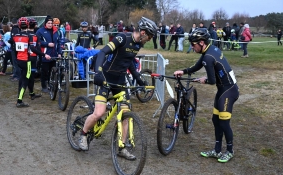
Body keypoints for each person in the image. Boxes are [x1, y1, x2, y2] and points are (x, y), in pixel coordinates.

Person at [78, 17, 158, 160]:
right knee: (98, 113)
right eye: (150, 36)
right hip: (105, 78)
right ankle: (83, 134)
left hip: (120, 81)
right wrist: (98, 73)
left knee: (125, 114)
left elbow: (128, 62)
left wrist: (138, 78)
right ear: (144, 32)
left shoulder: (138, 44)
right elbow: (102, 53)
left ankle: (121, 147)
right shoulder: (122, 38)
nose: (150, 40)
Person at [174, 28, 239, 163]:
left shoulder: (208, 57)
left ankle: (230, 151)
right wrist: (183, 71)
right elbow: (198, 66)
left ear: (202, 42)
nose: (192, 47)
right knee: (216, 121)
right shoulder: (210, 50)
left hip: (229, 91)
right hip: (223, 90)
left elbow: (212, 80)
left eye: (193, 44)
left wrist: (204, 79)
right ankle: (216, 150)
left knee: (224, 123)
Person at [13, 17, 51, 107]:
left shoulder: (15, 36)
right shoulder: (29, 36)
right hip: (27, 60)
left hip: (19, 60)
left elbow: (13, 47)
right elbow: (33, 49)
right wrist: (43, 54)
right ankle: (19, 100)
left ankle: (22, 96)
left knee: (22, 78)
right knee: (25, 81)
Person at [36, 15, 62, 93]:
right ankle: (44, 86)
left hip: (54, 55)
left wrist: (59, 53)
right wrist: (47, 44)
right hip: (45, 55)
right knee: (45, 71)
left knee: (53, 71)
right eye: (49, 23)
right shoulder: (40, 31)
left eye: (51, 23)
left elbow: (58, 43)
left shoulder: (56, 31)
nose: (50, 24)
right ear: (45, 23)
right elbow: (37, 42)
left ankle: (51, 84)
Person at [27, 17, 50, 100]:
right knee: (30, 76)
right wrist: (43, 55)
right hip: (31, 57)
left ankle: (30, 93)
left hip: (23, 58)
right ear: (35, 25)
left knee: (26, 76)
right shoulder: (33, 35)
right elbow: (34, 48)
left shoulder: (22, 34)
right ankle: (28, 94)